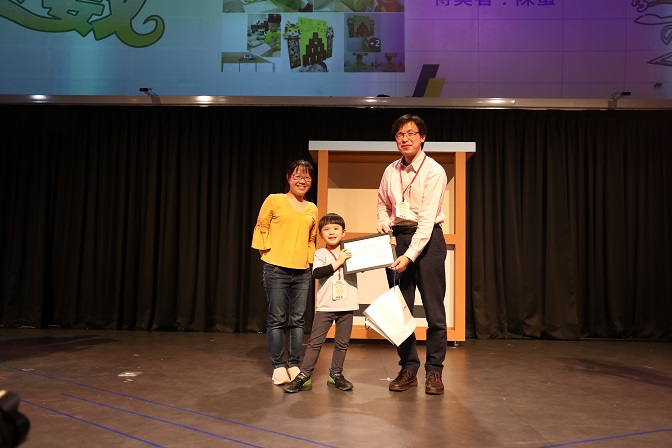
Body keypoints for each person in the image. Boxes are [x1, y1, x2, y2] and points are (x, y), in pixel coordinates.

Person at [376, 114, 448, 395]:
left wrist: (410, 256)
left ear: (422, 137)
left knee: (434, 313)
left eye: (410, 133)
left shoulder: (434, 171)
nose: (404, 139)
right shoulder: (390, 170)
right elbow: (382, 203)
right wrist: (384, 222)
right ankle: (408, 368)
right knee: (399, 311)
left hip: (428, 243)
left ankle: (434, 371)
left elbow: (427, 221)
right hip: (398, 240)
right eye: (399, 135)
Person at [252, 160, 318, 386]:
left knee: (298, 320)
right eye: (297, 176)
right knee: (277, 318)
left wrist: (308, 262)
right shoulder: (275, 200)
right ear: (288, 177)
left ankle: (293, 363)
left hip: (302, 271)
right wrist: (268, 254)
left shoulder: (312, 208)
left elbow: (311, 239)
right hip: (276, 269)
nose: (302, 181)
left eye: (307, 177)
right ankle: (278, 365)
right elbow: (261, 227)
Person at [283, 213, 357, 393]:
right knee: (315, 343)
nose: (332, 232)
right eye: (326, 229)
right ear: (321, 234)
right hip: (326, 307)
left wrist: (388, 248)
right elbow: (317, 273)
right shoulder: (321, 253)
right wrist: (339, 261)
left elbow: (372, 260)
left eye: (336, 228)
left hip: (347, 305)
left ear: (343, 232)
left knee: (342, 344)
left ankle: (336, 374)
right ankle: (304, 375)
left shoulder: (351, 251)